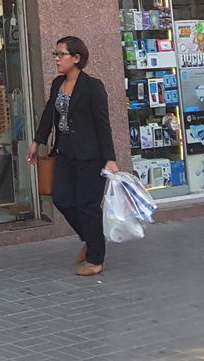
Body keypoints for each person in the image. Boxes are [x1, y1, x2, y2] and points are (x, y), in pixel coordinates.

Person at [26, 35, 118, 276]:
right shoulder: (58, 84)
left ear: (77, 58)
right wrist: (38, 141)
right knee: (62, 198)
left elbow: (102, 124)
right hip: (65, 152)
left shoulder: (92, 86)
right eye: (55, 54)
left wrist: (110, 158)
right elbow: (49, 114)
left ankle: (96, 259)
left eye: (61, 54)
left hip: (91, 156)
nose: (56, 59)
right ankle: (90, 240)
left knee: (88, 206)